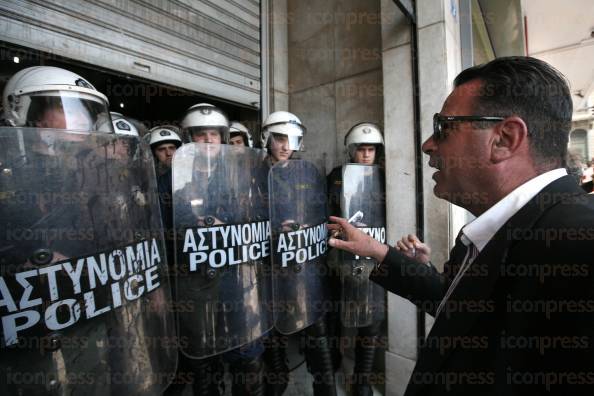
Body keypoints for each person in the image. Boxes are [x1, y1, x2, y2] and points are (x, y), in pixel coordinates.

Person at [328, 56, 594, 396]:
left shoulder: (580, 250)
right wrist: (375, 250)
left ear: (505, 138)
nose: (427, 144)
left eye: (444, 127)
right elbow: (456, 305)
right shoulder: (498, 231)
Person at [262, 111, 337, 396]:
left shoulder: (304, 173)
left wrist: (310, 224)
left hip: (302, 265)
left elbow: (317, 211)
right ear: (267, 138)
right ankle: (277, 381)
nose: (285, 146)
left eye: (292, 140)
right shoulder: (253, 174)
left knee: (316, 333)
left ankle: (326, 388)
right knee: (273, 340)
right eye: (280, 138)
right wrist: (272, 229)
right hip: (268, 269)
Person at [326, 122, 386, 396]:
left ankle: (362, 379)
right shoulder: (336, 176)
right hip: (343, 257)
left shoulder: (385, 177)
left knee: (372, 320)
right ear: (351, 150)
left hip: (375, 256)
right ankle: (335, 363)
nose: (365, 154)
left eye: (370, 149)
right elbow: (326, 210)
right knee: (339, 313)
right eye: (361, 148)